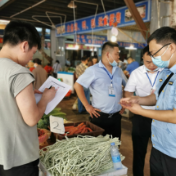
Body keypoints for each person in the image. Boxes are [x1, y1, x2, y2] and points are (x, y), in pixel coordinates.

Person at [0, 20, 56, 176]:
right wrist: (45, 98)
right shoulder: (19, 72)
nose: (31, 57)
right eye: (33, 52)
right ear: (24, 46)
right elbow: (31, 119)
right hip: (18, 158)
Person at [120, 26, 176, 176]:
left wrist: (142, 111)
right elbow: (155, 97)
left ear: (171, 48)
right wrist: (137, 99)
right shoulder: (165, 73)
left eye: (155, 53)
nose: (154, 59)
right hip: (158, 144)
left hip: (173, 149)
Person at [74, 41, 127, 139]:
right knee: (99, 147)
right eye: (117, 54)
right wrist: (87, 106)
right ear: (108, 54)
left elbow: (127, 87)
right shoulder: (93, 70)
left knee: (115, 146)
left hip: (116, 117)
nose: (119, 57)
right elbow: (77, 85)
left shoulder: (119, 71)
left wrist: (125, 103)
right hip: (99, 116)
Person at [124, 46, 163, 176]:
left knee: (159, 152)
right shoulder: (136, 73)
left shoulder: (165, 71)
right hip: (141, 115)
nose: (151, 65)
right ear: (142, 59)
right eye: (148, 62)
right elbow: (128, 91)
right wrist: (131, 101)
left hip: (161, 116)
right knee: (139, 151)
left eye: (154, 61)